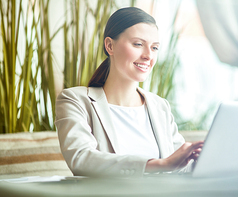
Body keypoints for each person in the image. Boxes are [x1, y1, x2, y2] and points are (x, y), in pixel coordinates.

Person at [55, 7, 204, 177]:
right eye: (138, 44)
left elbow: (180, 166)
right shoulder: (76, 100)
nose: (149, 55)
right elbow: (81, 159)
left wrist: (200, 159)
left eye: (154, 48)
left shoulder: (159, 106)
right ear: (110, 46)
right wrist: (159, 164)